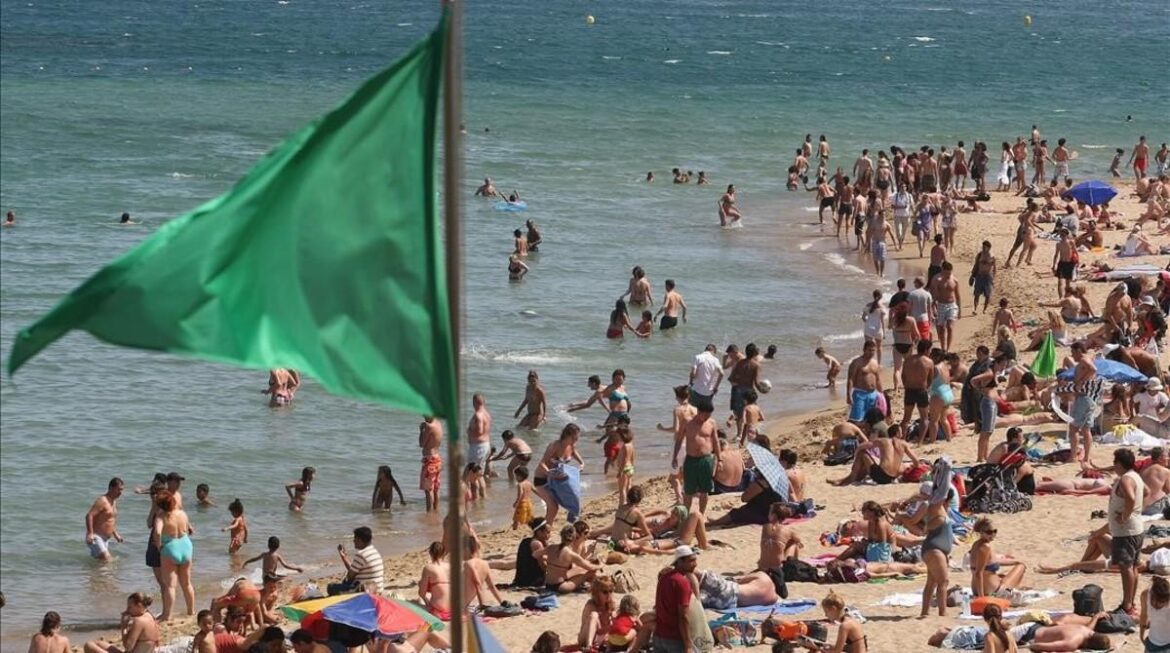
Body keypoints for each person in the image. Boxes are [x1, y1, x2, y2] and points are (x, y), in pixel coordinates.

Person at [653, 546, 713, 653]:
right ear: (680, 562)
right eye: (691, 561)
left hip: (659, 636)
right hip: (675, 640)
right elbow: (683, 616)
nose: (695, 564)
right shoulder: (682, 582)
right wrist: (688, 644)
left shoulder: (663, 578)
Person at [1111, 448, 1146, 616]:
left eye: (1114, 462)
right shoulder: (1136, 476)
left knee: (1126, 568)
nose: (1113, 466)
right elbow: (1145, 492)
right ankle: (1130, 603)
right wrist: (1136, 510)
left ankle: (1127, 605)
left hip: (1127, 530)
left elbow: (1131, 498)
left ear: (1119, 463)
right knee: (1133, 567)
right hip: (1136, 527)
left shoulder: (1125, 478)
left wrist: (1125, 515)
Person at [152, 489, 194, 621]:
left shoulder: (161, 517)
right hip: (186, 546)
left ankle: (167, 615)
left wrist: (159, 546)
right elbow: (188, 528)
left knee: (170, 585)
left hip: (170, 548)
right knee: (186, 583)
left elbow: (158, 533)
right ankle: (191, 611)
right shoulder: (182, 513)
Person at [674, 396, 720, 516]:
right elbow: (679, 440)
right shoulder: (687, 422)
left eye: (709, 415)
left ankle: (701, 516)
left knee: (704, 491)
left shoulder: (711, 423)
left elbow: (716, 441)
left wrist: (719, 459)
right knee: (688, 491)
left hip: (706, 459)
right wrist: (675, 456)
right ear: (699, 411)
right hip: (691, 460)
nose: (707, 417)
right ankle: (686, 517)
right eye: (705, 415)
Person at [533, 424, 585, 524]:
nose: (577, 439)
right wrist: (550, 474)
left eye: (578, 437)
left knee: (574, 497)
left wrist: (582, 463)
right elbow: (542, 463)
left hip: (556, 481)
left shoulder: (571, 445)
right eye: (575, 437)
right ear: (568, 435)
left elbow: (574, 453)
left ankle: (569, 519)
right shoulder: (555, 445)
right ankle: (545, 531)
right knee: (553, 507)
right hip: (542, 479)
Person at [659, 385, 699, 502]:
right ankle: (687, 495)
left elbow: (676, 430)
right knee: (686, 472)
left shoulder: (677, 410)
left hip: (680, 444)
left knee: (674, 476)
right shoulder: (695, 410)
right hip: (692, 443)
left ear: (677, 397)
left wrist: (662, 428)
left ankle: (679, 498)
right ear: (688, 396)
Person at [969, 518, 1027, 597]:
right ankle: (1013, 588)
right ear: (981, 533)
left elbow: (993, 561)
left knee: (1004, 574)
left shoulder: (976, 544)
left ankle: (1013, 587)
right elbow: (979, 573)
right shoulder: (985, 547)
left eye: (994, 531)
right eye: (989, 532)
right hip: (994, 592)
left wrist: (1015, 562)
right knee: (1021, 566)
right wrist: (981, 598)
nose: (992, 535)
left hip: (977, 590)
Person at [83, 594, 160, 653]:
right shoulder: (150, 616)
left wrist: (124, 626)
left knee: (88, 645)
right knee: (98, 643)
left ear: (139, 606)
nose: (127, 610)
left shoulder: (139, 621)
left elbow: (128, 647)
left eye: (130, 607)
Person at [539, 525, 603, 593]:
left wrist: (546, 560)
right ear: (574, 537)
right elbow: (590, 567)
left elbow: (535, 554)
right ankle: (598, 584)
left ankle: (596, 583)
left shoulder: (551, 547)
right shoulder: (570, 553)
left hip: (548, 584)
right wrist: (601, 565)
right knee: (588, 573)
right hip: (561, 586)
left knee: (580, 569)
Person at [329, 526, 384, 595]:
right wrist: (344, 557)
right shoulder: (374, 551)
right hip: (378, 589)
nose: (353, 541)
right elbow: (353, 570)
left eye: (355, 538)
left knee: (331, 587)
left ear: (360, 540)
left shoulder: (361, 554)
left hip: (365, 591)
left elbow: (350, 576)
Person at [1067, 342, 1097, 462]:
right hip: (1089, 397)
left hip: (1083, 398)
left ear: (1079, 350)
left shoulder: (1084, 360)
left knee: (1073, 428)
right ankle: (1086, 458)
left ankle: (1072, 457)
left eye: (1073, 352)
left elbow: (1093, 369)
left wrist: (1080, 381)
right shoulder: (1088, 358)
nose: (1072, 355)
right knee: (1086, 429)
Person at [86, 477, 125, 562]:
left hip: (106, 539)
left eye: (122, 490)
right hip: (96, 536)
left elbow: (110, 519)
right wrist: (90, 533)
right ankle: (110, 575)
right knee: (108, 560)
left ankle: (94, 575)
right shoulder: (102, 501)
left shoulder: (113, 501)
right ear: (111, 488)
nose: (121, 493)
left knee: (100, 563)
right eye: (118, 490)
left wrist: (116, 535)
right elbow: (89, 515)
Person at [846, 339, 883, 426]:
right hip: (860, 394)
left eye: (873, 350)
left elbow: (878, 380)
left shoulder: (875, 363)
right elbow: (850, 379)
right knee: (857, 419)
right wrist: (848, 395)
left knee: (871, 418)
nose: (871, 352)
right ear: (864, 350)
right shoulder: (856, 362)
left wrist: (881, 394)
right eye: (869, 350)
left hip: (873, 394)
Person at [930, 261, 962, 352]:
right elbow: (933, 295)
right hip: (940, 305)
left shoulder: (954, 280)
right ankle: (943, 347)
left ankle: (947, 349)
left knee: (950, 327)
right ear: (942, 270)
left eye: (950, 273)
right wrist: (933, 308)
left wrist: (960, 310)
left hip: (951, 305)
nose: (948, 275)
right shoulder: (936, 279)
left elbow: (958, 295)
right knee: (941, 329)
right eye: (947, 273)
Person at [578, 577, 617, 650]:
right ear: (597, 592)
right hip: (586, 637)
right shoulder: (591, 605)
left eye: (611, 591)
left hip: (602, 637)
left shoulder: (612, 605)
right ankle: (589, 646)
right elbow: (598, 630)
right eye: (605, 592)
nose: (609, 594)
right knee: (594, 615)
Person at [467, 393, 492, 499]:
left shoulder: (478, 415)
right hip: (485, 445)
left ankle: (475, 498)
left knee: (472, 474)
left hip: (478, 447)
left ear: (474, 402)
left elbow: (480, 430)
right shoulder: (487, 414)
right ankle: (483, 496)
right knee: (479, 473)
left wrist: (469, 430)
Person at [418, 541, 452, 620]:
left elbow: (421, 593)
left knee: (418, 601)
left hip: (439, 610)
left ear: (430, 553)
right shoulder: (449, 566)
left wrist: (426, 601)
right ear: (444, 553)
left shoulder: (428, 568)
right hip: (453, 609)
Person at [419, 416, 443, 512]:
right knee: (436, 488)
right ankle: (436, 510)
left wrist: (421, 430)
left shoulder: (429, 427)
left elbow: (421, 444)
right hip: (437, 458)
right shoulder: (438, 423)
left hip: (429, 460)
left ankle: (429, 513)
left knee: (428, 489)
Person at [1140, 576, 1170, 652]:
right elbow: (1144, 615)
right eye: (1157, 602)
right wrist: (1141, 634)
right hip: (1151, 642)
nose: (1160, 605)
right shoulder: (1145, 595)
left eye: (1163, 602)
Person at [971, 240, 997, 314]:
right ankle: (975, 309)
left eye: (984, 247)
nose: (983, 248)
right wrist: (972, 275)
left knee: (987, 294)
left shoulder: (992, 256)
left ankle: (984, 309)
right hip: (979, 275)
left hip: (988, 276)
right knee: (977, 293)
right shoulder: (979, 255)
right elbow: (976, 265)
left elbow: (994, 268)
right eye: (982, 247)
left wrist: (993, 278)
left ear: (988, 248)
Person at [861, 290, 887, 364]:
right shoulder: (882, 307)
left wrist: (868, 323)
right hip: (878, 329)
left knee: (868, 347)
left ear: (873, 296)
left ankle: (867, 362)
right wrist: (884, 333)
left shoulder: (868, 305)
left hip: (868, 328)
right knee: (879, 347)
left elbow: (863, 317)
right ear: (881, 297)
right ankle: (879, 363)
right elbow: (882, 321)